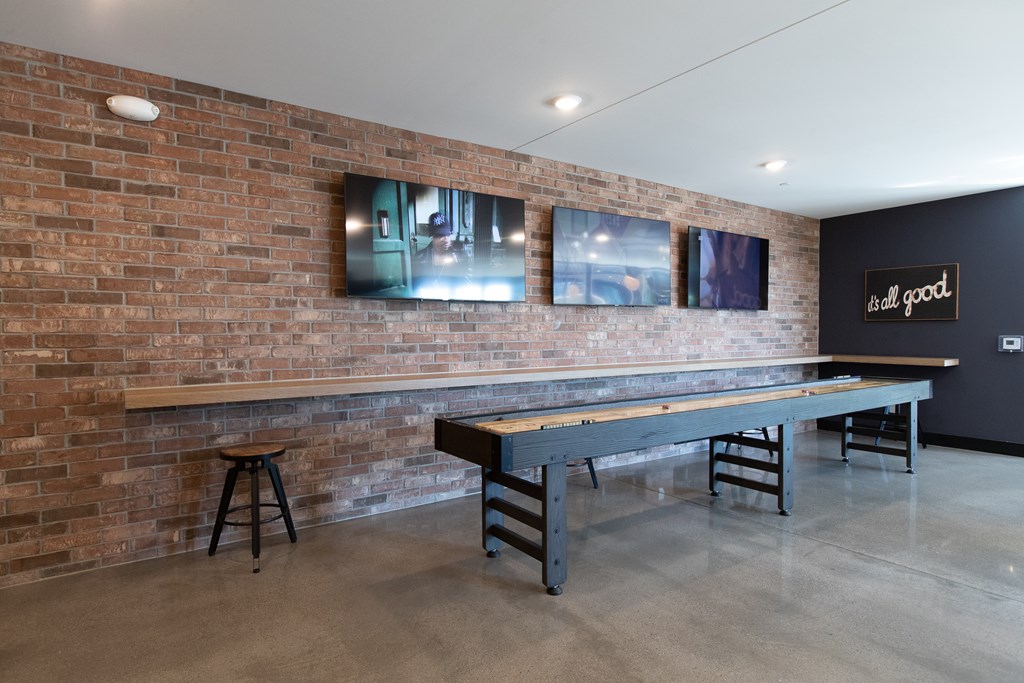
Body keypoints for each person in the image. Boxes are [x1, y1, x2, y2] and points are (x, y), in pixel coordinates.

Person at [411, 212, 472, 298]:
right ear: (432, 237)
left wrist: (458, 266)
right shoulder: (420, 258)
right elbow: (416, 291)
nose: (445, 239)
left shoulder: (461, 254)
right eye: (440, 236)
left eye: (447, 234)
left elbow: (467, 287)